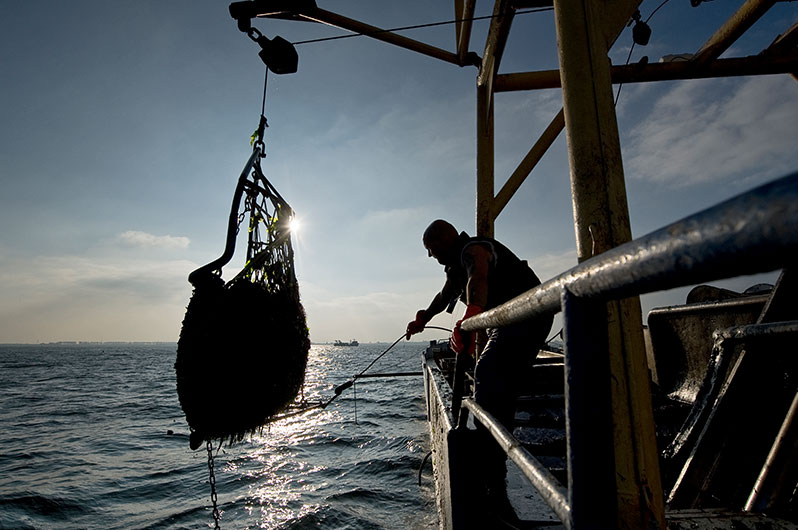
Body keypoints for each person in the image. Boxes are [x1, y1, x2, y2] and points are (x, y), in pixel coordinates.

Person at [405, 219, 553, 522]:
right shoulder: (456, 265)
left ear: (444, 240)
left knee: (489, 373)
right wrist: (423, 317)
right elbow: (445, 295)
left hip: (527, 315)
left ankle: (492, 477)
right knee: (493, 378)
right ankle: (492, 460)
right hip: (505, 321)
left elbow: (479, 277)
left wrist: (471, 313)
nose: (431, 256)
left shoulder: (473, 249)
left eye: (431, 249)